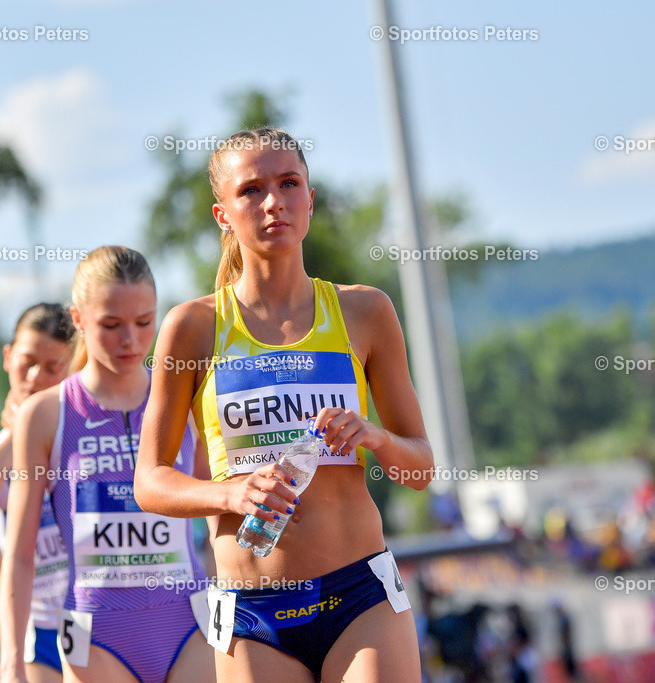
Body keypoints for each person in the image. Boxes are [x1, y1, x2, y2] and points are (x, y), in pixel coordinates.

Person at [134, 127, 433, 682]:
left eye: (289, 183)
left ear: (310, 200)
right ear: (223, 214)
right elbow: (149, 482)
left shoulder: (366, 312)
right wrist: (229, 492)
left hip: (359, 597)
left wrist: (376, 436)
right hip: (252, 614)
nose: (274, 202)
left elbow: (421, 467)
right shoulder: (192, 328)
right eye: (251, 190)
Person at [0, 246, 214, 683]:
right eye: (111, 325)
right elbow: (19, 557)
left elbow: (217, 516)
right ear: (77, 319)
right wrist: (12, 668)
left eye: (144, 322)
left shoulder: (184, 399)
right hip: (97, 636)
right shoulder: (46, 415)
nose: (130, 341)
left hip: (189, 624)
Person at [0, 303, 75, 683]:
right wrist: (20, 431)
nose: (36, 376)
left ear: (73, 369)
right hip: (39, 632)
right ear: (7, 357)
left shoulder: (86, 440)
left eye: (53, 367)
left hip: (98, 618)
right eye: (27, 362)